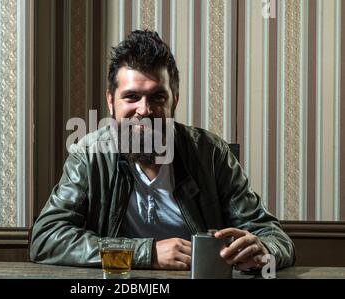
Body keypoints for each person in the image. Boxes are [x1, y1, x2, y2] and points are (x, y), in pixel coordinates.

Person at [30, 30, 295, 271]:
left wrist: (262, 251)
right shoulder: (89, 155)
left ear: (174, 100)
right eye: (131, 97)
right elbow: (46, 238)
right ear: (111, 101)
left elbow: (275, 237)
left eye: (157, 97)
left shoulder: (211, 154)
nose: (144, 110)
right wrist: (147, 253)